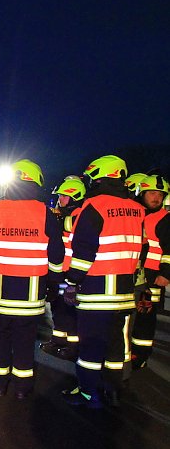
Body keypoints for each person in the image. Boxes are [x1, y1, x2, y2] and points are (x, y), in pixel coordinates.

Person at [0, 160, 64, 399]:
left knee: (0, 338)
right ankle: (23, 388)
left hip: (1, 293)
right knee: (25, 340)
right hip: (31, 295)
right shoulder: (44, 212)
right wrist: (54, 282)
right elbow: (57, 253)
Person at [62, 155, 144, 408]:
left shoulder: (95, 206)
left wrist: (72, 281)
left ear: (99, 178)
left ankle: (88, 392)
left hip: (97, 291)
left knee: (90, 346)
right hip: (124, 291)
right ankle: (113, 390)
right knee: (115, 346)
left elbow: (84, 250)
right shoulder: (136, 209)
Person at [41, 175, 86, 360]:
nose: (60, 199)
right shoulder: (68, 215)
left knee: (70, 311)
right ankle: (58, 341)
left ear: (75, 197)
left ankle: (73, 348)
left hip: (71, 273)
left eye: (64, 196)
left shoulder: (78, 216)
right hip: (62, 272)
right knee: (59, 308)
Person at [131, 175, 170, 369]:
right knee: (134, 314)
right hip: (138, 274)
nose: (156, 198)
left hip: (154, 277)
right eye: (152, 193)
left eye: (160, 195)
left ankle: (140, 355)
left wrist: (166, 273)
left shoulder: (165, 219)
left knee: (145, 316)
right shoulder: (138, 213)